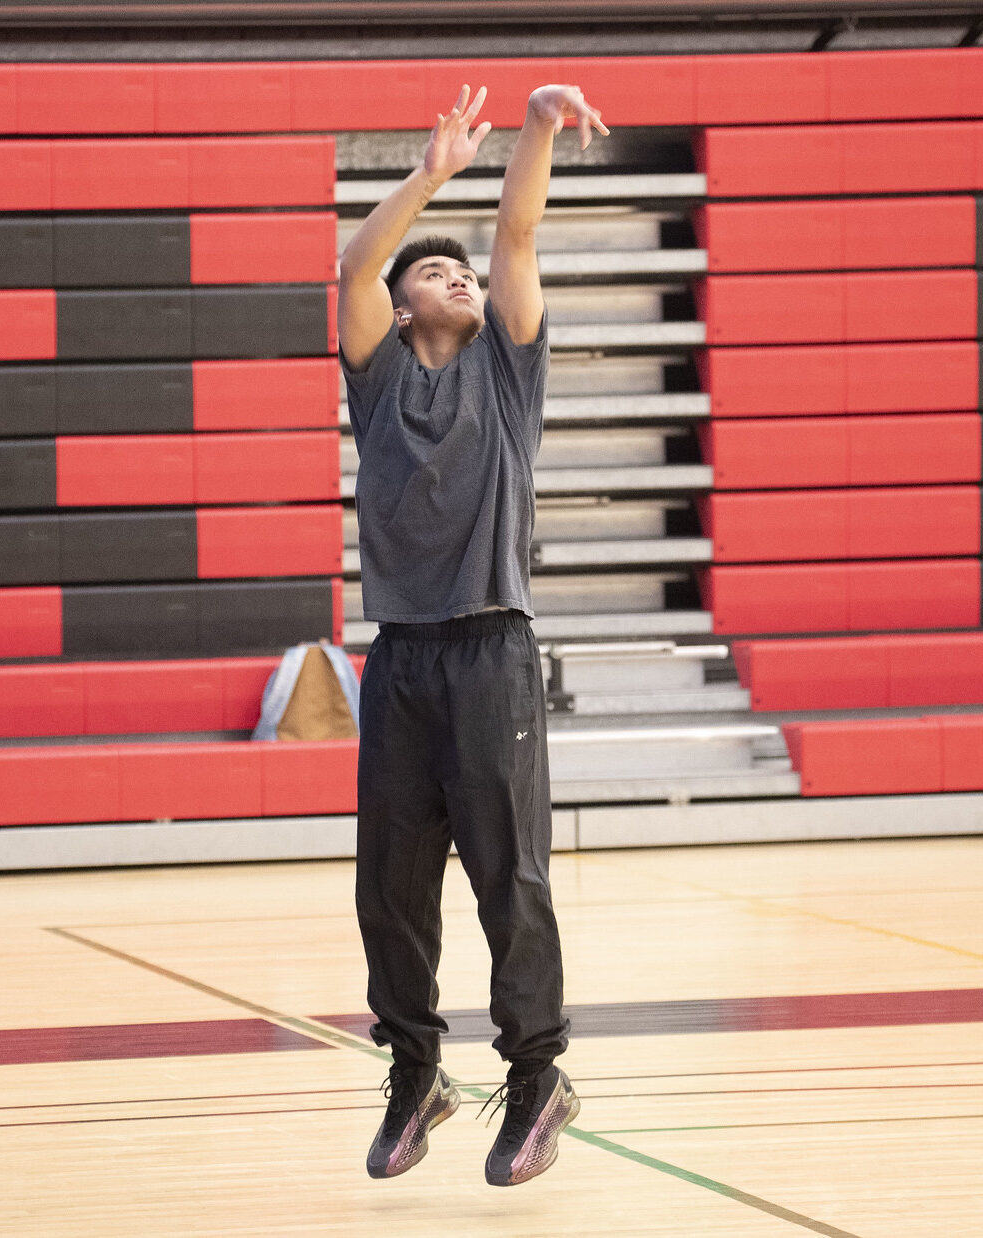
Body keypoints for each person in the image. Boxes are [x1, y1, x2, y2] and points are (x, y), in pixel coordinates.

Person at [338, 81, 609, 1187]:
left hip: (493, 649)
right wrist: (428, 174)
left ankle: (537, 1074)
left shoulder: (506, 370)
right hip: (401, 654)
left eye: (460, 270)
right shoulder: (381, 373)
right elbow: (356, 267)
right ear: (403, 310)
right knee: (389, 888)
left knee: (510, 879)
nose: (455, 274)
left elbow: (518, 230)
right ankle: (415, 1069)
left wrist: (537, 124)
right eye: (432, 272)